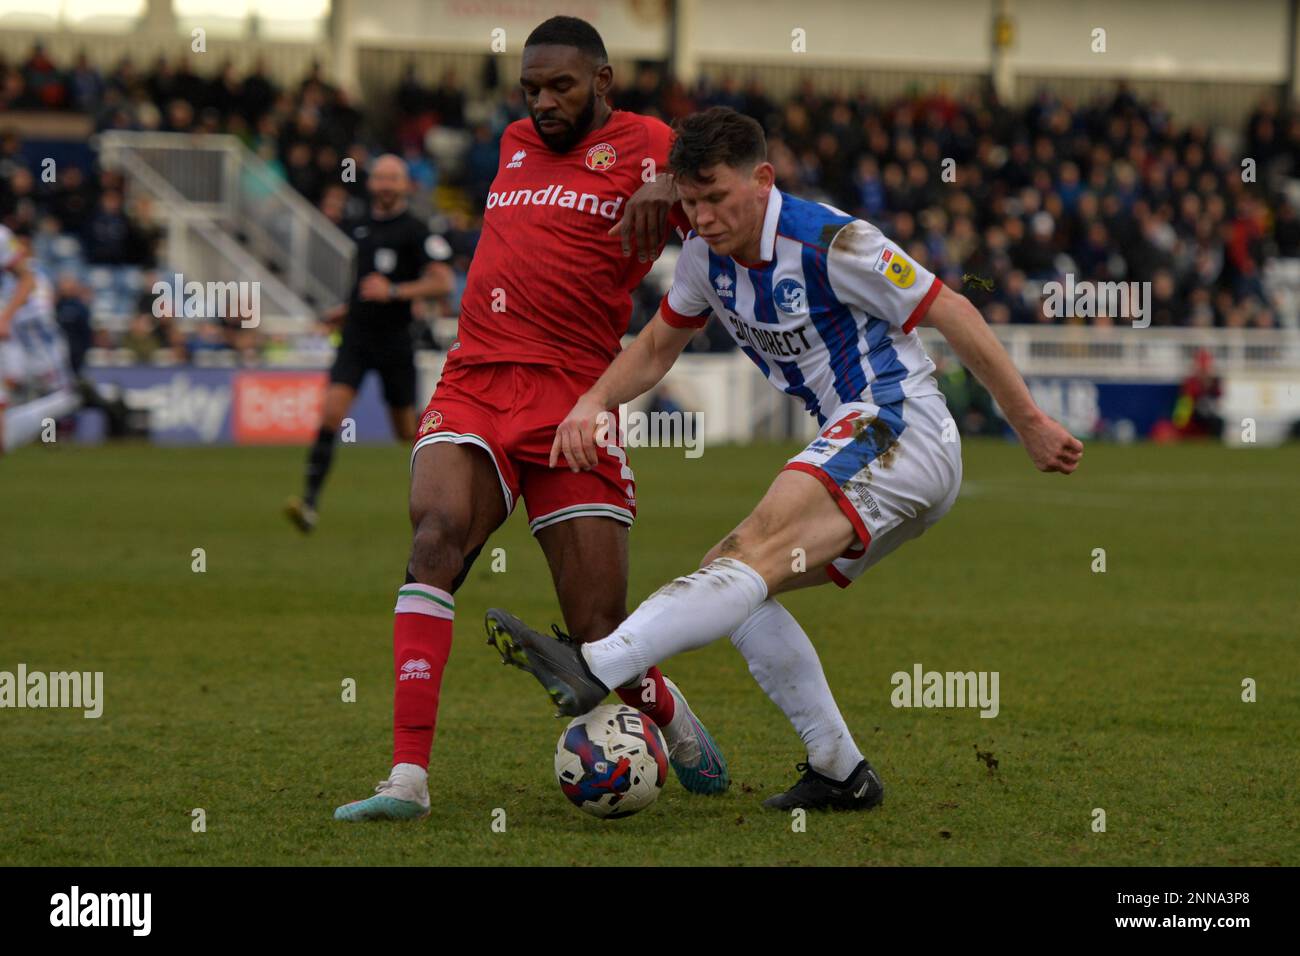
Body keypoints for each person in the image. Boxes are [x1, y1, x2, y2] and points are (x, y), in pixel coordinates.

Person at [485, 107, 1084, 810]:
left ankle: (599, 664)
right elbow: (653, 348)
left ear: (762, 180)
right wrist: (591, 403)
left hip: (898, 427)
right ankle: (840, 769)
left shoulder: (832, 241)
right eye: (690, 201)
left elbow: (952, 308)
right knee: (734, 583)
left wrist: (1031, 423)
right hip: (862, 442)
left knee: (748, 551)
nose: (702, 218)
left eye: (716, 197)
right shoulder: (706, 259)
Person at [334, 17, 733, 822]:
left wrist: (672, 187)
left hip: (577, 397)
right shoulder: (514, 142)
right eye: (532, 89)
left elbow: (737, 188)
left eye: (562, 87)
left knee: (598, 634)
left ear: (604, 83)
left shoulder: (653, 141)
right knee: (434, 538)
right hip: (478, 377)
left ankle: (669, 714)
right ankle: (406, 778)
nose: (545, 103)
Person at [286, 154, 453, 532]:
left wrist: (394, 291)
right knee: (331, 412)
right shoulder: (359, 227)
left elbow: (442, 282)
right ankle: (309, 504)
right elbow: (364, 284)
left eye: (393, 178)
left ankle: (441, 496)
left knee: (404, 430)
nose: (385, 185)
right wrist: (346, 310)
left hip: (395, 341)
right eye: (380, 178)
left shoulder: (417, 231)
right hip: (357, 337)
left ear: (405, 184)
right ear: (372, 183)